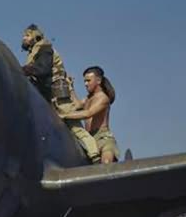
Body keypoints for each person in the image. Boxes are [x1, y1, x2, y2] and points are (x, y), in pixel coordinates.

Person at [20, 25, 100, 163]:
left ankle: (95, 155)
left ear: (35, 36)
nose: (24, 38)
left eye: (27, 35)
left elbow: (42, 69)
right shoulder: (34, 51)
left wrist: (21, 70)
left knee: (75, 127)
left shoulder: (44, 49)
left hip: (59, 95)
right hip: (49, 96)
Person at [65, 66, 119, 164]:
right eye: (85, 81)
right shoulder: (88, 98)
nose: (86, 84)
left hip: (103, 139)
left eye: (88, 81)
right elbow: (76, 105)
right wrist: (70, 87)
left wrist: (64, 115)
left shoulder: (103, 98)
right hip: (89, 139)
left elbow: (88, 113)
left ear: (98, 81)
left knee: (106, 166)